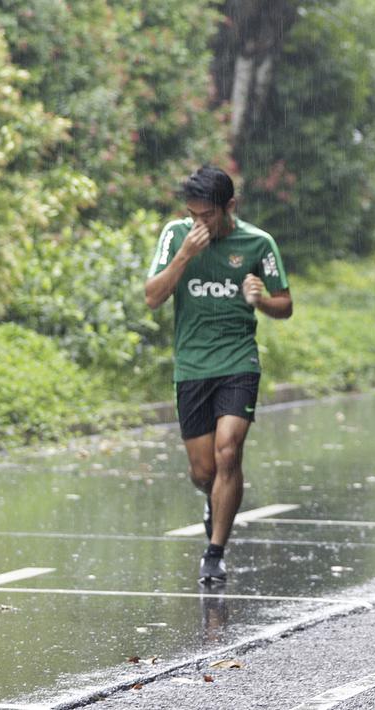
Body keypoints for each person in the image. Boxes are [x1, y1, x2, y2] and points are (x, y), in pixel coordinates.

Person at [145, 166, 293, 585]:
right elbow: (153, 297)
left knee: (229, 452)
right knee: (203, 472)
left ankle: (215, 553)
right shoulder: (176, 237)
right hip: (192, 365)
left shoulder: (258, 243)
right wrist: (185, 254)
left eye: (206, 215)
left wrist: (260, 300)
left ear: (230, 207)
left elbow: (285, 303)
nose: (198, 223)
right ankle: (214, 501)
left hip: (237, 363)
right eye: (192, 214)